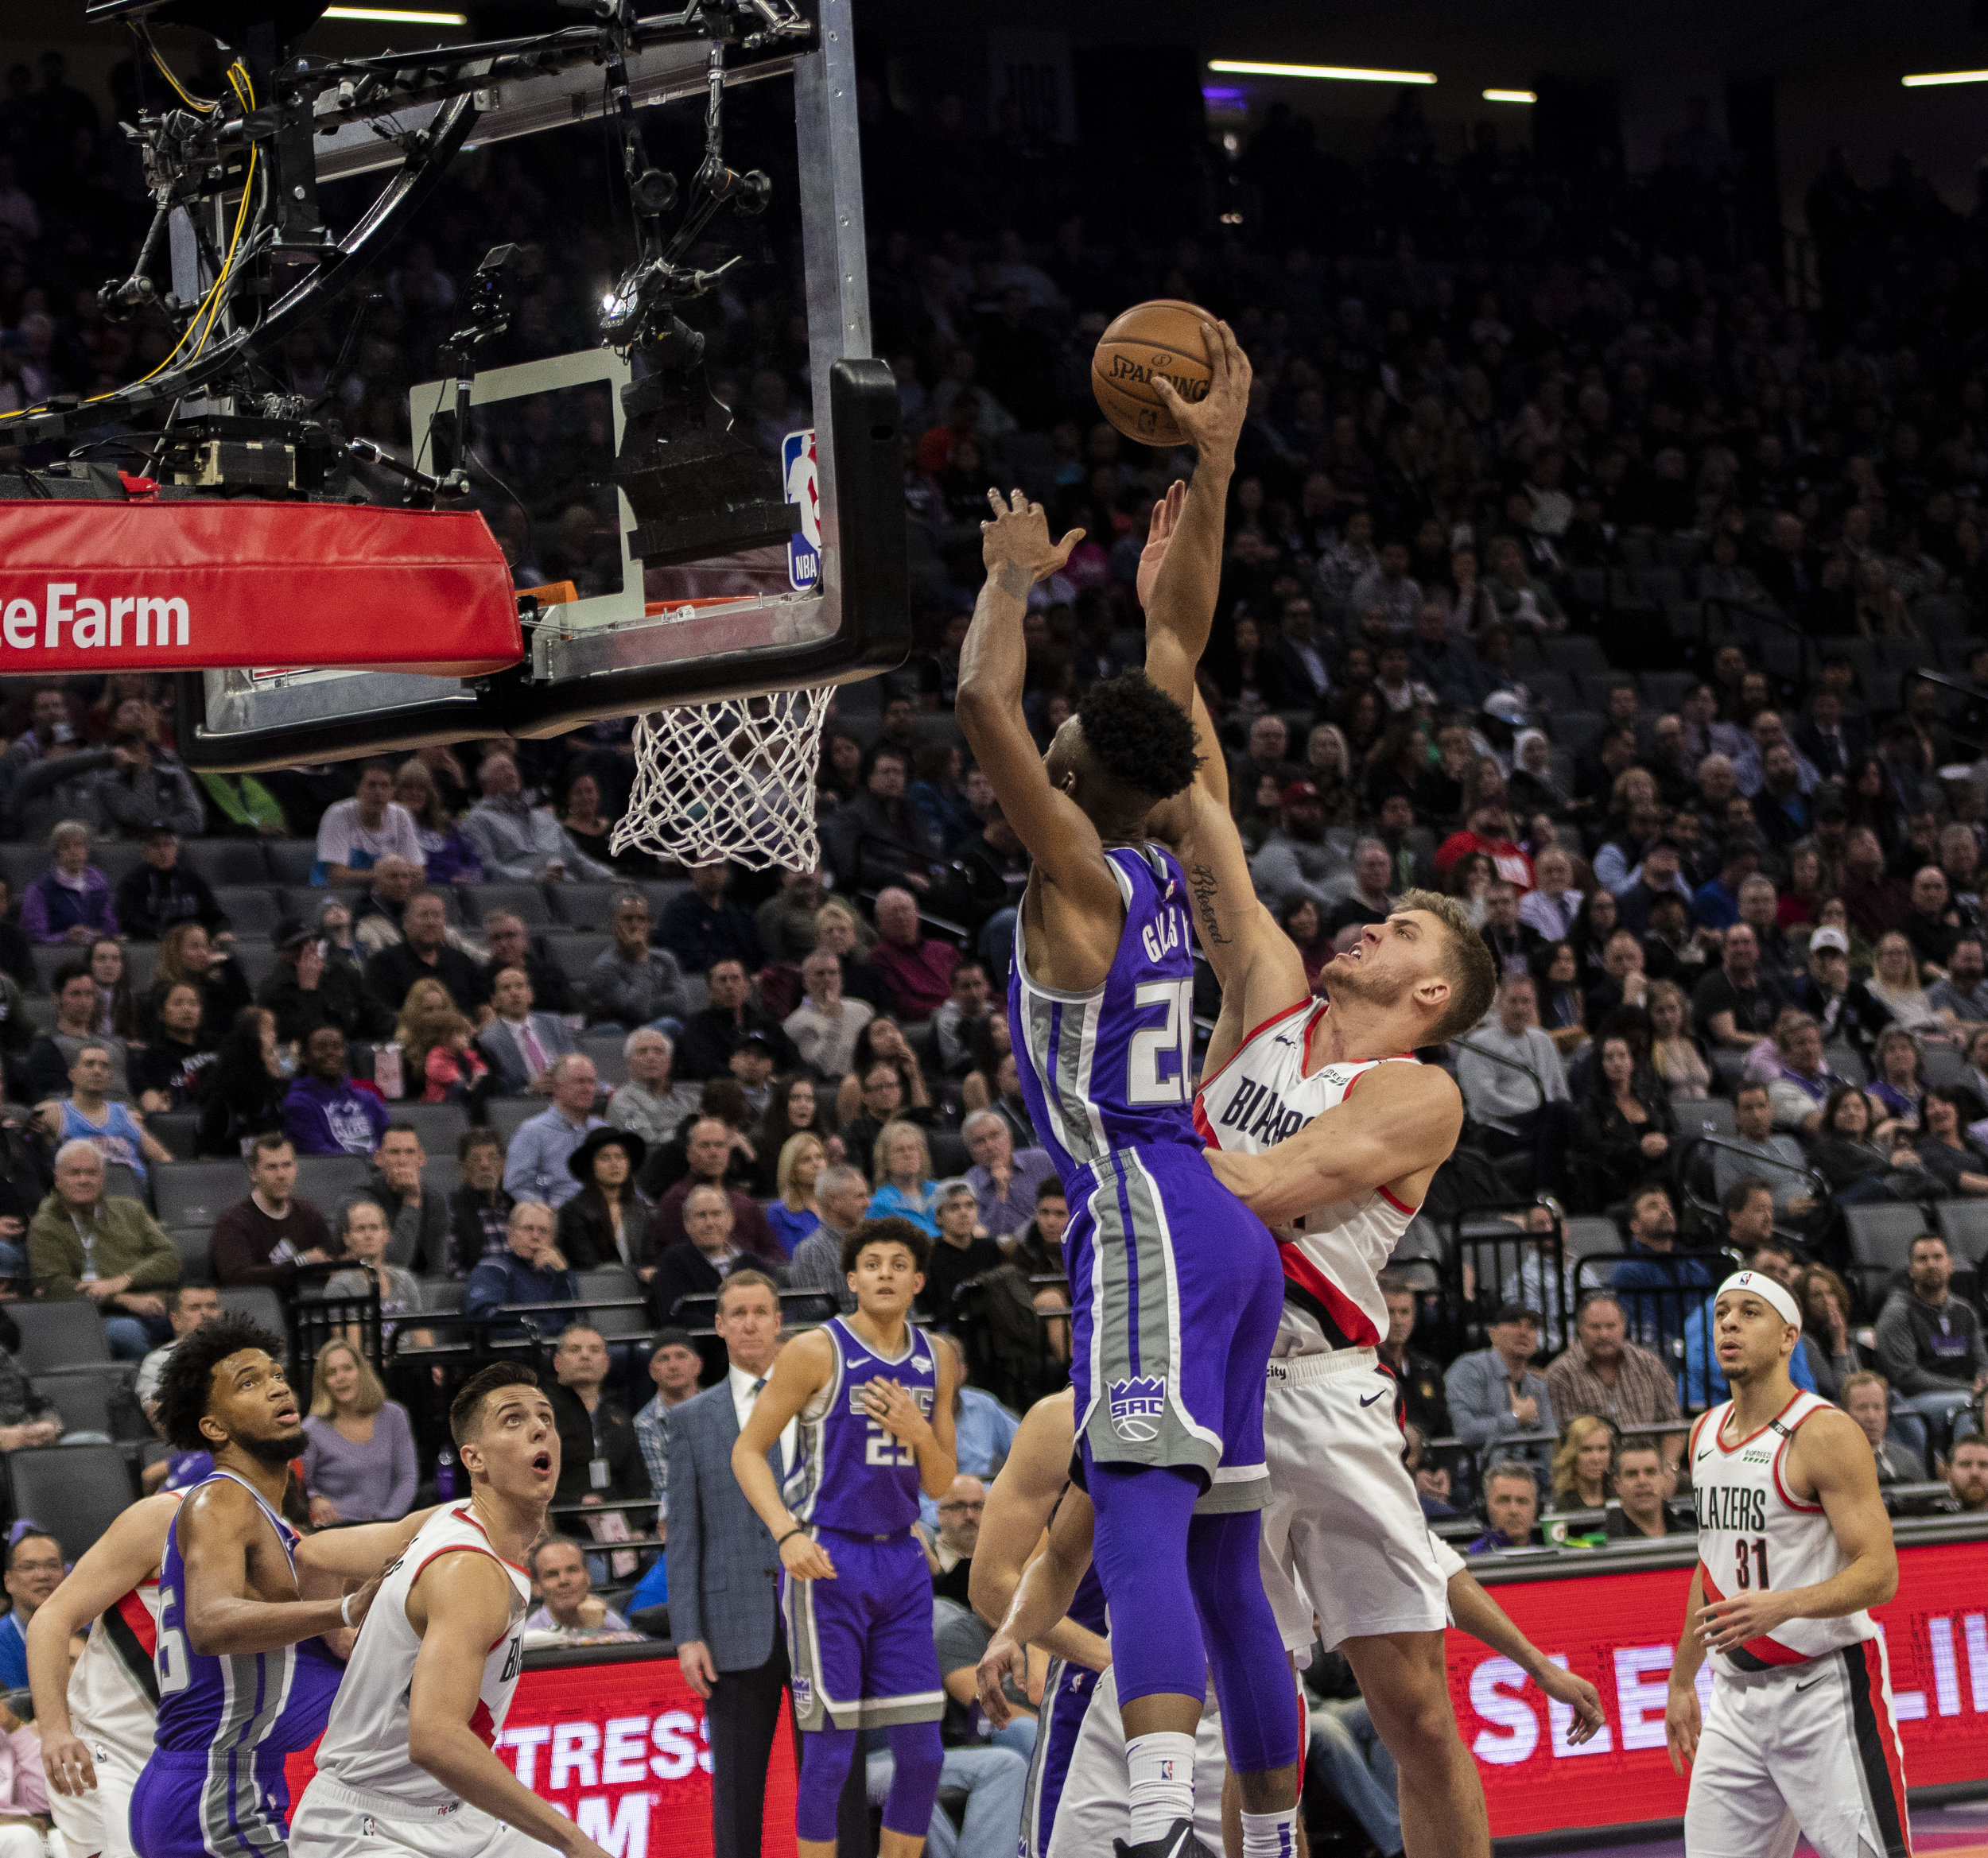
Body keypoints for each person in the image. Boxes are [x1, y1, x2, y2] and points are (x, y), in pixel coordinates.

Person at [960, 452, 1302, 1858]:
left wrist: (1007, 583)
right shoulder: (1172, 855)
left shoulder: (1082, 882)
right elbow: (1176, 661)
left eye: (1057, 752)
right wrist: (1204, 497)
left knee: (1141, 1525)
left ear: (1068, 779)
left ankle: (1159, 1818)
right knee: (1227, 1569)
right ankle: (1269, 1839)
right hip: (1226, 1230)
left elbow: (982, 701)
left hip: (1146, 1211)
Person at [288, 1365, 619, 1858]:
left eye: (544, 1418)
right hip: (369, 1824)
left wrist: (341, 1632)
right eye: (513, 1420)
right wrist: (577, 1843)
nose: (537, 1428)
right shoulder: (469, 1570)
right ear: (474, 1458)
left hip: (457, 1814)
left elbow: (313, 1555)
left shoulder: (447, 1516)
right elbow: (435, 1740)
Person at [732, 1218, 957, 1858]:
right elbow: (747, 1451)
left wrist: (918, 1431)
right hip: (829, 1556)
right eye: (872, 1263)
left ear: (918, 1281)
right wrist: (785, 1533)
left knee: (924, 1754)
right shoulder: (815, 1350)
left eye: (898, 1264)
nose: (885, 1273)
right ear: (851, 1278)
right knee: (831, 1755)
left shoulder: (937, 1356)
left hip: (902, 1559)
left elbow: (941, 1481)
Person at [1664, 1272, 1909, 1858]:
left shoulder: (1823, 1432)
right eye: (1722, 1312)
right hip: (1735, 1699)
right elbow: (1712, 1564)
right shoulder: (1703, 1433)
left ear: (1787, 1337)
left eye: (1750, 1312)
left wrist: (1785, 1604)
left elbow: (1881, 1572)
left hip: (1823, 1690)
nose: (1729, 1323)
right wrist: (1681, 1679)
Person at [129, 1317, 379, 1858]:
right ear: (214, 1427)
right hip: (213, 1793)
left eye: (277, 1375)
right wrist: (341, 1609)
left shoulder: (269, 1519)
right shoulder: (222, 1498)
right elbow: (210, 1624)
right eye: (249, 1382)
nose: (277, 1387)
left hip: (223, 1784)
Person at [665, 1270, 793, 1858]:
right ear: (719, 1325)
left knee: (834, 1777)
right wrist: (688, 1633)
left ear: (778, 1321)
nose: (749, 1323)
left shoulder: (816, 1403)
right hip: (731, 1622)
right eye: (737, 1313)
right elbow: (684, 1535)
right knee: (738, 1789)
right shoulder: (693, 1418)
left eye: (760, 1312)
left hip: (821, 1614)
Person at [29, 1490, 185, 1858]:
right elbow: (49, 1620)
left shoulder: (282, 1536)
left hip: (185, 1754)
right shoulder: (164, 1516)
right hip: (106, 1751)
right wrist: (55, 1732)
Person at [27, 1141, 179, 1360]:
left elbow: (170, 1258)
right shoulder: (45, 1225)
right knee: (128, 1332)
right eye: (75, 1173)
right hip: (97, 1315)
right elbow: (55, 1286)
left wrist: (123, 1280)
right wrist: (122, 1298)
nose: (84, 1180)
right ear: (57, 1180)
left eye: (91, 1173)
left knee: (206, 1319)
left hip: (157, 1304)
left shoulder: (130, 1209)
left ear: (103, 1178)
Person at [1454, 974, 1571, 1194]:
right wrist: (1533, 1111)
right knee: (1556, 1116)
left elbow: (1559, 1088)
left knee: (1566, 1116)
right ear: (1499, 1004)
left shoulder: (1543, 1039)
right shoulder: (1479, 1044)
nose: (1520, 1009)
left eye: (1526, 1002)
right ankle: (1546, 1194)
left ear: (1535, 1005)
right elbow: (1482, 1100)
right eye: (1513, 1001)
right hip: (1500, 1127)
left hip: (1545, 1120)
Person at [1873, 1232, 1988, 1444]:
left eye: (1937, 1257)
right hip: (1912, 1402)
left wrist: (1983, 1387)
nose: (1931, 1265)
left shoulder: (1965, 1311)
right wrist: (1968, 1389)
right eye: (1922, 1259)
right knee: (1966, 1405)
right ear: (1911, 1270)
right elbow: (1907, 1378)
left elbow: (1982, 1364)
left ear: (1950, 1264)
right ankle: (1963, 1462)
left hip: (1967, 1393)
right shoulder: (1898, 1313)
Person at [1544, 1292, 1683, 1464]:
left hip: (1648, 1468)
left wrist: (1668, 1468)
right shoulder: (1560, 1374)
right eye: (1595, 1327)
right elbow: (1566, 1442)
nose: (1604, 1334)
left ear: (1623, 1326)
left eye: (1611, 1326)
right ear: (1580, 1328)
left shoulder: (1649, 1364)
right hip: (1591, 1471)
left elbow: (1674, 1426)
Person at [300, 1336, 418, 1523]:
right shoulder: (311, 1430)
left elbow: (407, 1478)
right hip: (338, 1529)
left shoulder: (394, 1415)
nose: (341, 1377)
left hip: (389, 1525)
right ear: (323, 1383)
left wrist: (385, 1522)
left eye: (348, 1368)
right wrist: (314, 1498)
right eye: (331, 1373)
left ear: (362, 1372)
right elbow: (298, 1484)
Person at [547, 1323, 650, 1520]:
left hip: (618, 1529)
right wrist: (576, 1505)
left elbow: (638, 1484)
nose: (585, 1356)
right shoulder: (540, 1416)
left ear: (606, 1363)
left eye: (594, 1350)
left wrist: (637, 1528)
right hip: (562, 1527)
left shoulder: (619, 1418)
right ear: (557, 1362)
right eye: (575, 1350)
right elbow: (527, 1484)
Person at [463, 748, 612, 882]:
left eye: (512, 768)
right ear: (486, 783)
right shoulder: (476, 820)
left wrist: (610, 877)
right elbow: (487, 868)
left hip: (567, 889)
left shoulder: (544, 817)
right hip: (522, 895)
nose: (510, 773)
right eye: (501, 770)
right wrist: (532, 879)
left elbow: (576, 859)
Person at [210, 1132, 334, 1294]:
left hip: (306, 1303)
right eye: (271, 1167)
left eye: (287, 1165)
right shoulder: (233, 1222)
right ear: (253, 1174)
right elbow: (237, 1278)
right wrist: (301, 1261)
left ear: (296, 1168)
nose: (281, 1175)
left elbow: (331, 1263)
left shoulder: (308, 1213)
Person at [1446, 1304, 1555, 1480]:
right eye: (1514, 1324)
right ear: (1493, 1334)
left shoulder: (1537, 1386)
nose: (1524, 1332)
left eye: (1531, 1327)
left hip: (1523, 1477)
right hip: (1473, 1477)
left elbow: (1550, 1443)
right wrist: (1515, 1418)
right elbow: (1464, 1431)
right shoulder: (1469, 1369)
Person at [40, 1040, 171, 1186]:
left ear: (110, 1079)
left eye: (105, 1066)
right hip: (84, 1190)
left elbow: (163, 1157)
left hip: (134, 1192)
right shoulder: (54, 1113)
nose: (97, 1071)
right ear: (72, 1074)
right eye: (89, 1064)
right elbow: (27, 1141)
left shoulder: (127, 1114)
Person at [1571, 1034, 1674, 1211]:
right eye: (1609, 1058)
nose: (1617, 1063)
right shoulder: (1593, 1104)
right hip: (1619, 1179)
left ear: (1632, 1061)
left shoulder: (1652, 1096)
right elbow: (1594, 1147)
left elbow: (1675, 1131)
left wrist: (1666, 1142)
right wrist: (1639, 1149)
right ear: (1601, 1065)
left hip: (1662, 1168)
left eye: (1622, 1056)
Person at [1610, 1184, 1714, 1353]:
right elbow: (1644, 1334)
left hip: (1698, 1355)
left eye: (1668, 1206)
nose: (1665, 1211)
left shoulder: (1693, 1266)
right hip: (1655, 1359)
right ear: (1635, 1225)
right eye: (1653, 1206)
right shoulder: (1630, 1272)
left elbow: (1709, 1321)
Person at [260, 917, 390, 1046]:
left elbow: (375, 1013)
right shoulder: (272, 993)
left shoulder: (340, 973)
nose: (307, 950)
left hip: (356, 1047)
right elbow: (308, 1037)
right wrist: (309, 991)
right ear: (281, 953)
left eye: (310, 942)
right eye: (296, 946)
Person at [364, 890, 491, 1020]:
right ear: (406, 921)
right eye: (423, 915)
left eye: (437, 916)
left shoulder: (462, 961)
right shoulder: (384, 963)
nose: (431, 923)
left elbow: (483, 1007)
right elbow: (384, 1016)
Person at [502, 1055, 605, 1207]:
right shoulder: (532, 1131)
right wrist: (543, 1210)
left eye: (591, 1082)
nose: (587, 1088)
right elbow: (516, 1187)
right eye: (580, 1081)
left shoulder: (602, 1131)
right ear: (557, 1087)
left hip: (603, 1213)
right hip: (555, 1214)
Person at [677, 959, 801, 1083]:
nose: (729, 986)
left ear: (747, 987)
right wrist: (752, 1078)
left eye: (735, 979)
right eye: (722, 980)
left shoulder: (767, 1024)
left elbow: (795, 1064)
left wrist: (780, 1079)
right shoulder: (698, 1026)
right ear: (711, 990)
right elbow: (705, 1069)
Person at [584, 893, 692, 1033]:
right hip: (622, 1036)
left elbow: (681, 1003)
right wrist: (642, 960)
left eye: (641, 919)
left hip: (661, 1030)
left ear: (648, 925)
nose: (635, 925)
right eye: (628, 919)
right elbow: (639, 1012)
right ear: (613, 926)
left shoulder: (665, 958)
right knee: (669, 1024)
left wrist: (650, 1004)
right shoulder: (604, 968)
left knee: (674, 1025)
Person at [28, 963, 133, 1102]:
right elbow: (57, 1099)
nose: (84, 1002)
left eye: (89, 994)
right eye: (75, 994)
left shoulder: (117, 1044)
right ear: (56, 999)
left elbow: (141, 1088)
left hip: (128, 1111)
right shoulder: (46, 1047)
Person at [464, 1202, 579, 1329]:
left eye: (543, 1231)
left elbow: (578, 1321)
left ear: (552, 1239)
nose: (535, 1236)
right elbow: (486, 1317)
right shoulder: (494, 1268)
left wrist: (562, 1276)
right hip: (519, 1340)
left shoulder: (558, 1272)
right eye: (528, 1229)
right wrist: (535, 1332)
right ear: (511, 1235)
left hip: (559, 1341)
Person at [283, 1026, 391, 1158]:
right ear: (304, 1056)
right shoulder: (298, 1104)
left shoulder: (369, 1099)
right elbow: (319, 1154)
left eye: (337, 1047)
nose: (330, 1052)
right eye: (321, 1048)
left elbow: (390, 1141)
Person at [1714, 1081, 1819, 1216]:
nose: (1756, 1115)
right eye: (1748, 1109)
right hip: (1776, 1221)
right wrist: (1783, 1208)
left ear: (1771, 1110)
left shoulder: (1788, 1143)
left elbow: (1807, 1182)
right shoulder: (1728, 1152)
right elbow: (1731, 1205)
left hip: (1813, 1213)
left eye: (1761, 1106)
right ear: (1737, 1115)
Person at [557, 1127, 651, 1271]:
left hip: (639, 1283)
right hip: (596, 1283)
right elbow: (587, 1264)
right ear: (591, 1166)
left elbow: (650, 1257)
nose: (615, 1164)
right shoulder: (574, 1211)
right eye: (605, 1158)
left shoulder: (640, 1208)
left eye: (621, 1156)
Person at [314, 758, 422, 884]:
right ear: (358, 788)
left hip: (387, 891)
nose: (378, 792)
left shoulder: (401, 815)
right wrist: (387, 874)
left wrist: (395, 875)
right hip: (336, 892)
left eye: (384, 786)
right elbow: (336, 878)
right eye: (372, 785)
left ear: (393, 791)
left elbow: (418, 871)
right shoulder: (338, 814)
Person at [475, 966, 577, 1098]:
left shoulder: (553, 1023)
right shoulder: (488, 1041)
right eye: (506, 988)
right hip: (527, 1102)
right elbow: (499, 1092)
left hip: (566, 1094)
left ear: (530, 995)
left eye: (519, 986)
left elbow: (573, 1060)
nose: (514, 993)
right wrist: (530, 1090)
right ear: (495, 1001)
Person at [633, 1327, 704, 1510]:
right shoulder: (645, 1424)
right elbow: (663, 1490)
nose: (673, 1365)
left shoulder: (721, 1410)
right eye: (663, 1359)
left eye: (681, 1356)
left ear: (697, 1365)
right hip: (677, 1515)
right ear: (652, 1371)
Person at [961, 1111, 1055, 1245]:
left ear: (1009, 1139)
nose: (990, 1146)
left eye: (994, 1136)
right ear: (972, 1153)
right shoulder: (969, 1184)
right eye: (980, 1141)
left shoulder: (1040, 1160)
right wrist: (1001, 1191)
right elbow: (986, 1238)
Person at [116, 825, 225, 943]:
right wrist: (161, 934)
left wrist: (221, 931)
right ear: (146, 851)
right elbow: (127, 920)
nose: (163, 851)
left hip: (189, 941)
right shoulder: (133, 882)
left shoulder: (193, 880)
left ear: (176, 849)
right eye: (156, 845)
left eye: (168, 844)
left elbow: (214, 914)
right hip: (151, 943)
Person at [919, 1179, 1004, 1325]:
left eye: (970, 1205)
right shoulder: (928, 1254)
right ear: (939, 1217)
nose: (963, 1213)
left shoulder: (989, 1248)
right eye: (954, 1207)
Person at [786, 948, 876, 1082]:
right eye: (820, 974)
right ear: (805, 982)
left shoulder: (862, 1010)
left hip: (870, 1081)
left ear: (840, 978)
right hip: (831, 1086)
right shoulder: (796, 1022)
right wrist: (834, 1020)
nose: (827, 979)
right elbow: (824, 1069)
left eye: (833, 973)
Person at [20, 822, 117, 945]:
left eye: (78, 845)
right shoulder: (39, 889)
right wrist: (64, 938)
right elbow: (34, 936)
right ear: (56, 854)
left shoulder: (99, 885)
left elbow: (111, 929)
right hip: (58, 953)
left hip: (95, 951)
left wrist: (99, 935)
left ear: (87, 851)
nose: (73, 852)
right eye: (66, 847)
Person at [136, 1282, 225, 1412]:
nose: (205, 1313)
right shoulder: (157, 1362)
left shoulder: (242, 1353)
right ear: (175, 1320)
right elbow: (158, 1414)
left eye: (212, 1306)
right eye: (194, 1308)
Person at [522, 1537, 634, 1638]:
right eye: (552, 1574)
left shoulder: (613, 1626)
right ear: (537, 1587)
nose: (563, 1580)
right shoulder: (528, 1639)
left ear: (588, 1577)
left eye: (572, 1570)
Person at [608, 1028, 701, 1147]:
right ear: (629, 1063)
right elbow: (648, 1142)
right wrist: (692, 1131)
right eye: (642, 1052)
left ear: (669, 1062)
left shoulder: (689, 1099)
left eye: (658, 1051)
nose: (651, 1057)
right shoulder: (622, 1101)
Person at [449, 1130, 515, 1276]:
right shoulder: (452, 1212)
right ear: (462, 1168)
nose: (485, 1165)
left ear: (503, 1165)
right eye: (475, 1159)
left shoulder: (515, 1208)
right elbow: (453, 1273)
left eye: (492, 1157)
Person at [0, 1532, 61, 1689]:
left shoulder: (88, 1634)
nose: (42, 1575)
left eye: (52, 1565)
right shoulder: (2, 1640)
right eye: (28, 1567)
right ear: (8, 1581)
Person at [1841, 1371, 1921, 1484]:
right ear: (1845, 1414)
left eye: (1878, 1407)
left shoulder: (1908, 1459)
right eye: (1862, 1408)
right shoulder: (1835, 1463)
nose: (1871, 1417)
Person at [1607, 1440, 1681, 1538]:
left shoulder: (1690, 1534)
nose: (1642, 1481)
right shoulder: (1603, 1543)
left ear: (1664, 1479)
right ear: (1617, 1485)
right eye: (1632, 1474)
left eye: (1650, 1472)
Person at [770, 1133, 826, 1258]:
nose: (816, 1164)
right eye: (806, 1160)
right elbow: (791, 1259)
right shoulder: (779, 1213)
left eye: (819, 1157)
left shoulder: (838, 1204)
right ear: (791, 1171)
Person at [1464, 1461, 1540, 1551]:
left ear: (1536, 1509)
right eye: (1504, 1501)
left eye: (1522, 1501)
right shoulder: (1472, 1557)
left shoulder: (1549, 1556)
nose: (1514, 1510)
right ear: (1486, 1507)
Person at [1549, 1414, 1614, 1512]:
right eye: (1586, 1450)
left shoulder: (1622, 1499)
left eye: (1602, 1449)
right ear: (1571, 1456)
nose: (1596, 1459)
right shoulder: (1561, 1507)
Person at [1944, 1435, 1988, 1512]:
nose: (1975, 1473)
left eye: (1984, 1465)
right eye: (1965, 1465)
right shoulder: (1930, 1516)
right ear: (1949, 1473)